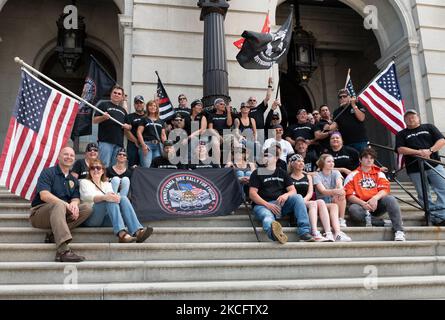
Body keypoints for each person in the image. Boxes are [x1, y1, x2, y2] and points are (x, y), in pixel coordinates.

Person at [30, 147, 92, 262]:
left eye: (72, 155)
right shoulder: (48, 172)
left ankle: (54, 235)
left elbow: (76, 197)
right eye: (66, 154)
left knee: (87, 208)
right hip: (40, 213)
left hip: (60, 212)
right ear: (59, 157)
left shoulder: (73, 179)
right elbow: (44, 195)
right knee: (59, 204)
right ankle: (63, 251)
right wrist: (65, 204)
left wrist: (74, 204)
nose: (69, 157)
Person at [249, 148, 314, 244]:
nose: (266, 158)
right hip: (262, 205)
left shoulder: (282, 173)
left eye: (269, 156)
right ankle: (275, 234)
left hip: (280, 204)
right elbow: (252, 194)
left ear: (276, 158)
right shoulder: (257, 173)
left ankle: (304, 232)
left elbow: (293, 191)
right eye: (265, 156)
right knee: (267, 217)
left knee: (298, 197)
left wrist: (286, 195)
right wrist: (268, 205)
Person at [80, 159, 153, 243]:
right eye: (93, 168)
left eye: (98, 168)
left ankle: (138, 232)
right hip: (92, 218)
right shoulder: (84, 182)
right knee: (108, 199)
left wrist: (117, 198)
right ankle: (122, 234)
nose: (96, 170)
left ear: (103, 171)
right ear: (89, 171)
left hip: (106, 219)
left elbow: (112, 196)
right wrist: (105, 197)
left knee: (123, 198)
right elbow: (88, 197)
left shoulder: (106, 184)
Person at [396, 109, 445, 225]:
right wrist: (419, 152)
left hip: (434, 164)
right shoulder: (401, 134)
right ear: (404, 120)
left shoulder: (429, 127)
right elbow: (400, 149)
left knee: (443, 189)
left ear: (418, 118)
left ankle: (441, 215)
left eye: (413, 116)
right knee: (423, 194)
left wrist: (430, 150)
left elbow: (441, 140)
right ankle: (435, 217)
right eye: (408, 117)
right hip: (415, 169)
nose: (410, 118)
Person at [344, 148, 406, 241]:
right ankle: (382, 223)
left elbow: (385, 189)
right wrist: (363, 203)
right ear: (360, 160)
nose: (369, 160)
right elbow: (349, 195)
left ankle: (399, 231)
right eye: (366, 158)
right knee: (353, 209)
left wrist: (375, 198)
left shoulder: (379, 173)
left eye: (371, 158)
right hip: (360, 206)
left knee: (390, 199)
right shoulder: (352, 175)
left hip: (376, 204)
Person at [288, 154, 350, 242]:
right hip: (297, 201)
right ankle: (314, 232)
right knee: (317, 202)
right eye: (299, 161)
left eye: (302, 161)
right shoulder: (289, 176)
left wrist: (340, 190)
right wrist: (299, 201)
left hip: (311, 200)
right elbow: (323, 191)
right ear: (292, 164)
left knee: (332, 204)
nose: (301, 163)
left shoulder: (308, 176)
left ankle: (333, 233)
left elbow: (310, 193)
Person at [93, 85, 132, 167]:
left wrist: (127, 127)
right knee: (104, 165)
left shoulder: (123, 110)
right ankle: (103, 180)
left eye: (119, 94)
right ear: (111, 94)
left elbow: (129, 126)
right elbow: (94, 120)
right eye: (115, 93)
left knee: (115, 167)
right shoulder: (103, 105)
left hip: (119, 143)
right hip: (105, 142)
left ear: (122, 97)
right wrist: (103, 117)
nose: (116, 95)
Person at [313, 154, 350, 234]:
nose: (332, 163)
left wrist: (339, 190)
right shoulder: (317, 175)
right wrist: (336, 191)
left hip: (334, 198)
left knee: (341, 195)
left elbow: (339, 184)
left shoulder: (336, 172)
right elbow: (323, 191)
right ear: (323, 163)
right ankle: (336, 225)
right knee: (339, 194)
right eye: (329, 162)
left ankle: (341, 219)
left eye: (333, 161)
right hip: (323, 201)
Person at [333, 89, 368, 153]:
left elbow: (361, 118)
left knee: (362, 161)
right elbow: (335, 125)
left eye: (344, 96)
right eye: (340, 97)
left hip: (360, 141)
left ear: (349, 97)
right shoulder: (337, 111)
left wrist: (353, 105)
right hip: (346, 143)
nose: (342, 98)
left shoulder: (357, 104)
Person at [137, 100, 167, 168]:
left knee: (156, 167)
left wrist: (166, 146)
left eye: (154, 106)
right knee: (147, 167)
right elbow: (139, 132)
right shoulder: (144, 119)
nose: (152, 107)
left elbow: (163, 135)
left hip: (158, 146)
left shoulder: (161, 121)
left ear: (157, 108)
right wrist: (143, 145)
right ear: (147, 107)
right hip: (147, 145)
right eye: (150, 105)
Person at [125, 95, 146, 167]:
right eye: (137, 103)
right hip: (133, 145)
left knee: (146, 166)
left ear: (144, 104)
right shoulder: (129, 116)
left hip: (146, 145)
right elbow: (126, 132)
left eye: (141, 103)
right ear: (134, 105)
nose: (139, 105)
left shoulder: (148, 116)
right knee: (132, 166)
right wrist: (136, 141)